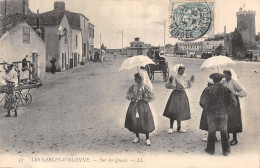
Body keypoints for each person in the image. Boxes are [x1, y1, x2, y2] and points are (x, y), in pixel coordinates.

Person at [200, 73, 237, 156]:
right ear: (221, 80)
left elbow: (202, 102)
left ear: (213, 80)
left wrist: (208, 109)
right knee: (224, 132)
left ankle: (210, 150)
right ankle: (226, 151)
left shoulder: (208, 89)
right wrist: (227, 110)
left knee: (211, 132)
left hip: (211, 114)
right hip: (223, 114)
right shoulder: (226, 89)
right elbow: (234, 102)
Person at [125, 72, 155, 146]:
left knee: (145, 120)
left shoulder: (145, 86)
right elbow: (128, 93)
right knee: (135, 120)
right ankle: (137, 136)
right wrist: (133, 97)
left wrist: (145, 96)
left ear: (140, 78)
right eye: (134, 78)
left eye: (136, 78)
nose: (134, 79)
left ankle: (147, 138)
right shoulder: (133, 86)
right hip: (135, 104)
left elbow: (151, 95)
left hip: (143, 105)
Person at [163, 64, 194, 134]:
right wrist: (170, 81)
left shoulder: (184, 76)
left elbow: (187, 85)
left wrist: (191, 80)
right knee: (173, 111)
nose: (182, 72)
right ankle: (171, 127)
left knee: (180, 111)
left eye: (183, 70)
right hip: (176, 94)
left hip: (182, 94)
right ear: (178, 70)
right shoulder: (175, 77)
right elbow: (171, 86)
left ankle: (179, 128)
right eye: (181, 70)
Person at [222, 68, 247, 146]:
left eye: (226, 74)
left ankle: (235, 139)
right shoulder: (223, 82)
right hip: (226, 103)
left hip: (233, 103)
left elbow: (243, 91)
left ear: (230, 74)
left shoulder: (234, 82)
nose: (225, 75)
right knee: (226, 119)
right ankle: (227, 135)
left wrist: (236, 94)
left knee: (234, 120)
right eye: (224, 74)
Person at [199, 77, 218, 142]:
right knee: (215, 123)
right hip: (216, 110)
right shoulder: (218, 90)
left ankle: (210, 138)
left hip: (208, 110)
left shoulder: (206, 90)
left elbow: (201, 101)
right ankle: (214, 136)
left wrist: (205, 107)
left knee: (208, 124)